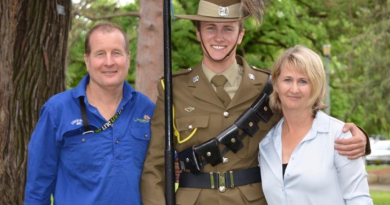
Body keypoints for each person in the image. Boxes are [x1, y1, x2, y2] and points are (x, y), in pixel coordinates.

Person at [141, 0, 369, 204]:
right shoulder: (174, 89)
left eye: (228, 29)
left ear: (240, 34)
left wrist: (359, 138)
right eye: (211, 28)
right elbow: (155, 167)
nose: (219, 37)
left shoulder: (268, 86)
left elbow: (305, 120)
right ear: (198, 33)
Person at [24, 22, 154, 205]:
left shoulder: (146, 109)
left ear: (128, 58)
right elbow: (38, 189)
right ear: (87, 60)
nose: (109, 62)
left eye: (116, 53)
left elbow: (163, 171)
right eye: (100, 54)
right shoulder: (57, 111)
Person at [258, 45, 372, 205]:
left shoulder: (340, 137)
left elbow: (359, 199)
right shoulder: (266, 144)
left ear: (316, 87)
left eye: (303, 81)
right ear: (276, 84)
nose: (294, 89)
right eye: (287, 80)